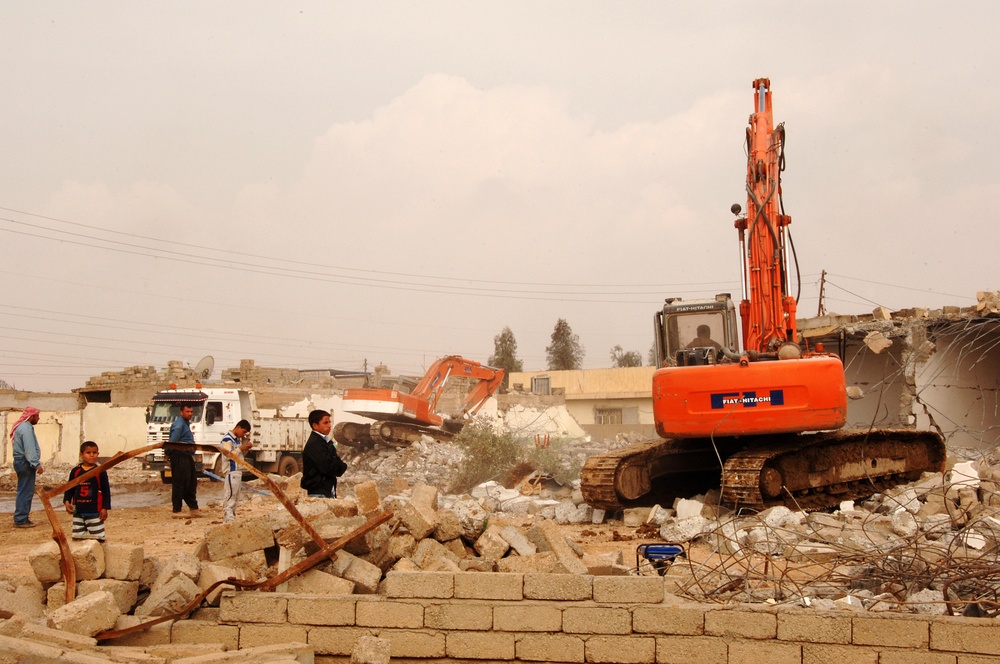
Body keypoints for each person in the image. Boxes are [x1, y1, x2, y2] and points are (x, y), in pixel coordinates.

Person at [63, 441, 111, 540]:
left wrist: (105, 508)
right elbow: (69, 488)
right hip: (78, 511)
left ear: (98, 454)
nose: (92, 455)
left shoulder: (100, 471)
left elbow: (106, 490)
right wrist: (67, 501)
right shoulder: (76, 471)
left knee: (98, 538)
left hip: (95, 511)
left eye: (94, 453)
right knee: (78, 538)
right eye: (88, 453)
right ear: (81, 454)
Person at [301, 409, 347, 498]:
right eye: (325, 423)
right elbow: (328, 468)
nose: (329, 426)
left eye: (329, 422)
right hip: (318, 492)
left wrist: (339, 465)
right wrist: (338, 464)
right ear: (315, 425)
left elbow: (339, 469)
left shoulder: (325, 442)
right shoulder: (315, 444)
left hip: (327, 490)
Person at [11, 406, 44, 528]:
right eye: (37, 416)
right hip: (25, 463)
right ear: (32, 416)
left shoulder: (22, 427)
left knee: (23, 490)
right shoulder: (26, 429)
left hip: (21, 462)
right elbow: (29, 449)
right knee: (26, 491)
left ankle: (21, 517)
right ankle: (21, 519)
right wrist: (36, 464)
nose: (39, 418)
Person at [167, 403, 201, 517]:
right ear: (181, 412)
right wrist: (168, 454)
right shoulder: (179, 425)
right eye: (187, 412)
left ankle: (193, 508)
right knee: (180, 483)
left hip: (187, 455)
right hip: (179, 455)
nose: (190, 414)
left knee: (191, 482)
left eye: (191, 412)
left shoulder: (186, 424)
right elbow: (172, 442)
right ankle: (177, 510)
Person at [219, 419, 253, 523]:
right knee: (230, 499)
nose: (243, 435)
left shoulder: (237, 440)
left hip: (237, 472)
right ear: (238, 427)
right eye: (243, 432)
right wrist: (241, 448)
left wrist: (245, 448)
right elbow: (228, 455)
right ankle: (229, 521)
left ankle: (231, 520)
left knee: (235, 500)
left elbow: (239, 456)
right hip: (231, 472)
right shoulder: (227, 440)